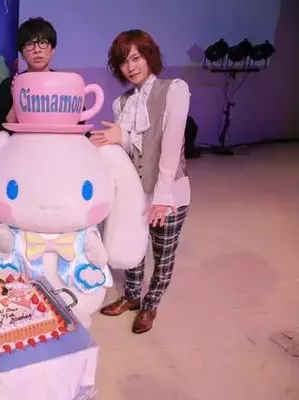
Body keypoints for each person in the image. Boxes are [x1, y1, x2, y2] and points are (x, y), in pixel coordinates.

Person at [90, 29, 191, 334]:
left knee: (163, 254)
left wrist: (162, 195)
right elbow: (127, 154)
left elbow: (170, 144)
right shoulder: (121, 104)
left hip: (170, 191)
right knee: (133, 246)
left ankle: (151, 304)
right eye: (123, 62)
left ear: (149, 56)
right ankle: (132, 296)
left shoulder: (174, 89)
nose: (130, 67)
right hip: (135, 192)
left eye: (135, 58)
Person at [0, 17, 57, 133]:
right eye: (29, 44)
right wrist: (17, 98)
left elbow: (79, 122)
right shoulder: (8, 85)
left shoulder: (64, 83)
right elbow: (3, 129)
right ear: (22, 54)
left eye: (43, 43)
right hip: (21, 143)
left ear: (53, 50)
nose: (37, 50)